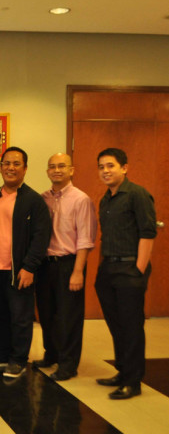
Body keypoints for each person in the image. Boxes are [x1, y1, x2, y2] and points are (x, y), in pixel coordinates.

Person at [0, 147, 51, 379]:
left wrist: (29, 267)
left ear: (25, 168)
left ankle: (18, 359)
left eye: (16, 163)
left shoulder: (33, 200)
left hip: (18, 271)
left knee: (20, 317)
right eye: (6, 163)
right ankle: (1, 354)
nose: (11, 167)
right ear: (0, 167)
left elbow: (41, 236)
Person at [95, 148, 155, 399]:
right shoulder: (105, 199)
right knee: (116, 326)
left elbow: (148, 233)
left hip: (130, 269)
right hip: (108, 269)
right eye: (101, 167)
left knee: (131, 327)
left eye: (110, 166)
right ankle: (122, 371)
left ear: (124, 168)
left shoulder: (137, 194)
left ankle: (133, 381)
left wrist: (138, 270)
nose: (105, 171)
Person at [33, 153, 96, 381]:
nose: (56, 170)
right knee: (47, 314)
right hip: (45, 265)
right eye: (52, 167)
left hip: (69, 264)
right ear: (47, 171)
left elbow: (86, 240)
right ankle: (52, 354)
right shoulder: (42, 198)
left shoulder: (81, 200)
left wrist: (78, 271)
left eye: (62, 166)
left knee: (69, 317)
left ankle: (68, 364)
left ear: (72, 170)